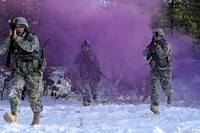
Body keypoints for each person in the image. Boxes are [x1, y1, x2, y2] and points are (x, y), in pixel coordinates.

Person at [0, 17, 45, 125]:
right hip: (19, 71)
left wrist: (17, 39)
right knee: (14, 91)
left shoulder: (32, 38)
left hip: (33, 72)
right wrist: (10, 38)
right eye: (16, 27)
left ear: (25, 28)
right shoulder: (13, 38)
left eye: (21, 27)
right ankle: (14, 116)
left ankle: (36, 117)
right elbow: (1, 51)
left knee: (33, 97)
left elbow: (30, 48)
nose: (18, 29)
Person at [143, 28, 173, 115]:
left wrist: (156, 47)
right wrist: (149, 49)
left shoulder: (166, 44)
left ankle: (169, 94)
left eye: (158, 36)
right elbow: (144, 54)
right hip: (155, 70)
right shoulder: (153, 44)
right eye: (155, 37)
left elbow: (163, 55)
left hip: (165, 70)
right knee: (154, 88)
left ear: (161, 36)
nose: (156, 38)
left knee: (165, 87)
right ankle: (155, 106)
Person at [74, 40, 101, 106]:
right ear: (82, 47)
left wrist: (98, 69)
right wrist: (80, 66)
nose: (85, 48)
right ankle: (86, 98)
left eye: (87, 47)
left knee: (94, 84)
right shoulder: (79, 55)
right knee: (84, 85)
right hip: (83, 73)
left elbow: (98, 63)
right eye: (84, 47)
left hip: (92, 72)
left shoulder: (93, 55)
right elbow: (75, 63)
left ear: (89, 47)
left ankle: (94, 95)